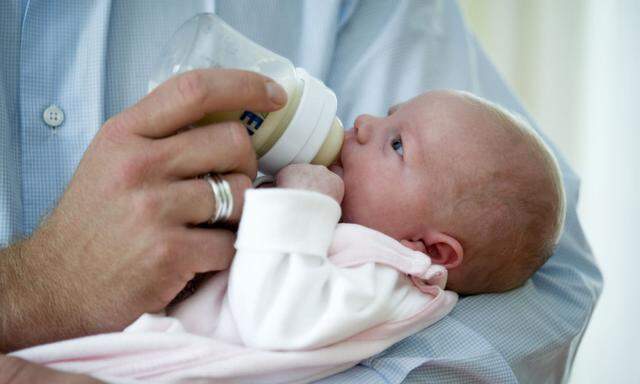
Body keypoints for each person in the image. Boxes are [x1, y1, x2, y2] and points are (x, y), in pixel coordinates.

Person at [0, 1, 602, 383]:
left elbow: (275, 317)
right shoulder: (355, 241)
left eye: (397, 145)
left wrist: (301, 202)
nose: (363, 124)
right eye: (389, 116)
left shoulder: (391, 278)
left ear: (435, 249)